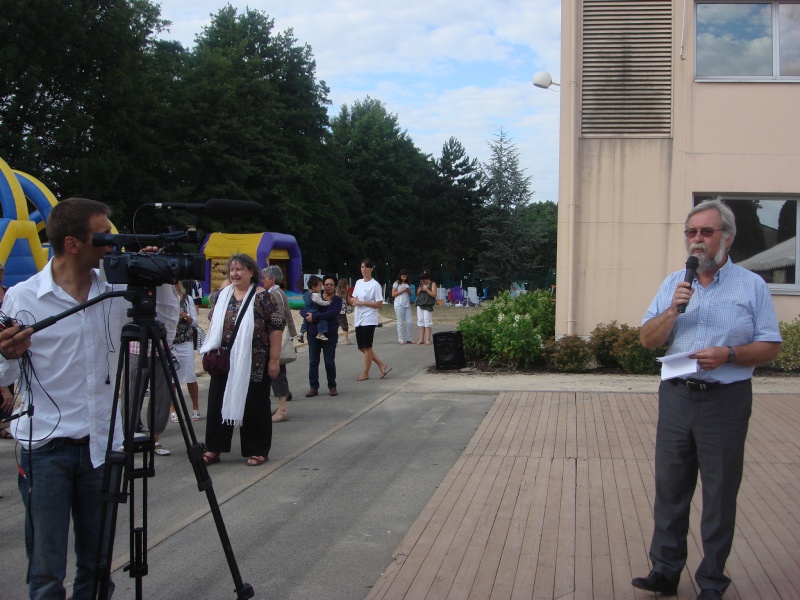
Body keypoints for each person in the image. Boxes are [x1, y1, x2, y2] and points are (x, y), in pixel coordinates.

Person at [0, 197, 177, 599]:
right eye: (104, 235)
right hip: (45, 449)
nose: (113, 243)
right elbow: (7, 377)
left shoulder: (116, 290)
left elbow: (162, 331)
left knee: (98, 569)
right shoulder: (24, 297)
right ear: (73, 243)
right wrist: (4, 354)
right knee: (45, 572)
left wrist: (158, 279)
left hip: (102, 446)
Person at [632, 199, 781, 600]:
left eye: (707, 232)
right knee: (670, 489)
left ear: (727, 238)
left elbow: (770, 346)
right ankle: (664, 572)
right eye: (691, 232)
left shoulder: (751, 286)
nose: (697, 239)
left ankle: (712, 581)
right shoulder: (673, 284)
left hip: (726, 400)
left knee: (718, 494)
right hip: (677, 397)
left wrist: (729, 355)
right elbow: (647, 339)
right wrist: (673, 311)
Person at [200, 253, 283, 467]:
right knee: (217, 401)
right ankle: (214, 448)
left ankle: (257, 450)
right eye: (232, 270)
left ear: (251, 272)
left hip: (255, 361)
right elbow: (214, 326)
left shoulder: (264, 298)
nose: (235, 273)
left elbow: (275, 329)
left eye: (239, 269)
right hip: (225, 361)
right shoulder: (221, 297)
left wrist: (274, 360)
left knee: (255, 405)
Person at [261, 265, 296, 422]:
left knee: (276, 372)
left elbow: (278, 318)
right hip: (281, 337)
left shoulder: (274, 295)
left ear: (272, 279)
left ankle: (282, 408)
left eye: (264, 278)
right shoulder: (279, 293)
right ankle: (281, 406)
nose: (262, 281)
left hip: (276, 339)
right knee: (279, 372)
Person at [300, 275, 342, 396]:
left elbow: (333, 313)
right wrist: (306, 316)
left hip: (329, 334)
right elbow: (303, 309)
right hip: (313, 333)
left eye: (331, 284)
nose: (328, 286)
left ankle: (332, 386)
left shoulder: (337, 300)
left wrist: (314, 316)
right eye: (326, 284)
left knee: (329, 362)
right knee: (313, 361)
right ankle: (313, 387)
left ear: (335, 287)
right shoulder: (315, 296)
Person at [351, 259, 391, 381]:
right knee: (361, 347)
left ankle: (366, 372)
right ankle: (381, 364)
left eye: (367, 267)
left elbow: (379, 304)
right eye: (362, 266)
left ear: (371, 269)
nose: (364, 269)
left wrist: (364, 303)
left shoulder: (375, 285)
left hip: (369, 318)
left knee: (367, 346)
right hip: (359, 317)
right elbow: (354, 298)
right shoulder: (358, 282)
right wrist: (354, 302)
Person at [170, 281, 201, 424]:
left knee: (190, 376)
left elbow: (195, 322)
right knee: (171, 378)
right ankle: (173, 409)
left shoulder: (187, 298)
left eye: (175, 283)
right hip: (171, 342)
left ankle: (195, 406)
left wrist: (186, 316)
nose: (173, 285)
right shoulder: (166, 298)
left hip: (185, 341)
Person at [298, 275, 330, 342]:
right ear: (313, 287)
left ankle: (301, 333)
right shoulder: (315, 295)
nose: (321, 288)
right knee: (322, 320)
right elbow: (320, 302)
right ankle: (320, 333)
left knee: (305, 323)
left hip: (307, 310)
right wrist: (327, 302)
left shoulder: (306, 294)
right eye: (319, 286)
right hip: (314, 311)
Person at [415, 270, 437, 345]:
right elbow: (417, 294)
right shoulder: (421, 284)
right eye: (422, 281)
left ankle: (427, 339)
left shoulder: (432, 284)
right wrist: (420, 289)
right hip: (420, 303)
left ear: (428, 279)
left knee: (427, 321)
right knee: (420, 321)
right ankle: (421, 339)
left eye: (424, 281)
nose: (423, 282)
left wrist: (426, 290)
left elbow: (434, 294)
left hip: (428, 304)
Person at [392, 269, 414, 344]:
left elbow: (410, 294)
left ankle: (409, 338)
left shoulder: (407, 283)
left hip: (407, 304)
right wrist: (402, 290)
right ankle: (400, 339)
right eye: (403, 276)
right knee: (400, 322)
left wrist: (408, 291)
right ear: (400, 276)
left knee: (409, 322)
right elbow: (393, 294)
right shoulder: (396, 283)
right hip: (399, 304)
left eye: (406, 277)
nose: (404, 278)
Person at [336, 277, 353, 345]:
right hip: (342, 312)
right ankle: (346, 340)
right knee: (345, 326)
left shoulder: (336, 291)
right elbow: (349, 301)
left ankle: (335, 340)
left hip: (335, 312)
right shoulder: (345, 292)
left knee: (335, 326)